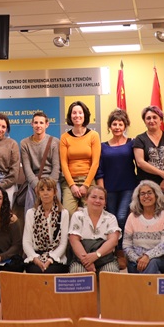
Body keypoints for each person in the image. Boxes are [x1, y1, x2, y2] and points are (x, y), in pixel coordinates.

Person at [95, 108, 137, 266]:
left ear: (125, 126)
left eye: (120, 124)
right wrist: (102, 192)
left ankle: (121, 251)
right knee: (111, 219)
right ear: (109, 126)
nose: (117, 127)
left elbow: (139, 164)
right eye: (114, 124)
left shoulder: (132, 143)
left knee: (121, 217)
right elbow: (99, 170)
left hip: (128, 187)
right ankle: (110, 250)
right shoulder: (103, 146)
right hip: (109, 189)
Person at [134, 106, 164, 213]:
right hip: (147, 186)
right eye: (148, 118)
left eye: (155, 117)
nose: (152, 120)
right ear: (144, 121)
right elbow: (140, 162)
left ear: (161, 120)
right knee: (149, 215)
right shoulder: (140, 139)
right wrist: (162, 174)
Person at [123, 181, 164, 274]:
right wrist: (137, 259)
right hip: (137, 261)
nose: (146, 196)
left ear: (156, 195)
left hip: (163, 260)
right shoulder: (132, 217)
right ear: (138, 198)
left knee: (152, 262)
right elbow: (126, 245)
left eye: (149, 193)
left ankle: (146, 282)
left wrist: (147, 256)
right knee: (135, 264)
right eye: (142, 194)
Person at [60, 101, 101, 216]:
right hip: (70, 182)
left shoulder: (93, 135)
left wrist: (86, 185)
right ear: (70, 116)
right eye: (74, 113)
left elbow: (95, 163)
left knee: (91, 213)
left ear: (85, 115)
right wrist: (72, 185)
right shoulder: (64, 137)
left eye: (80, 113)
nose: (77, 115)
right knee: (67, 213)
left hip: (88, 180)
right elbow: (64, 164)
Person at [68, 185, 121, 274]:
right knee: (78, 272)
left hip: (105, 259)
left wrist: (96, 255)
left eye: (101, 198)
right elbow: (74, 240)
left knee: (110, 273)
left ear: (105, 202)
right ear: (86, 199)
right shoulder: (78, 216)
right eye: (94, 197)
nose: (97, 201)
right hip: (81, 260)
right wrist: (86, 262)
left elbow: (113, 241)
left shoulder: (111, 218)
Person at [23, 177, 69, 274]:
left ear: (55, 192)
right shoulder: (30, 213)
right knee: (35, 270)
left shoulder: (64, 213)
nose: (45, 193)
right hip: (36, 256)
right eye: (42, 190)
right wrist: (35, 258)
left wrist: (50, 259)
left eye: (49, 189)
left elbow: (63, 244)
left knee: (51, 271)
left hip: (56, 257)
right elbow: (26, 242)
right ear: (38, 193)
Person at [20, 111, 60, 212]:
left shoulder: (55, 142)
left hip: (51, 181)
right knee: (30, 210)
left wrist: (49, 187)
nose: (38, 125)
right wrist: (37, 186)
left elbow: (56, 167)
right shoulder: (25, 143)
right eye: (36, 122)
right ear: (32, 124)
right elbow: (27, 169)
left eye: (41, 123)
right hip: (35, 181)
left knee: (57, 206)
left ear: (47, 125)